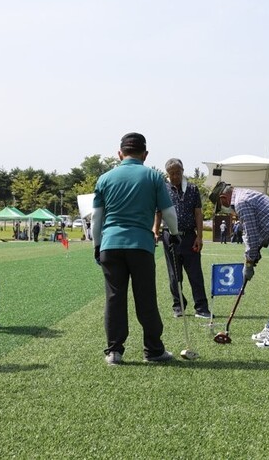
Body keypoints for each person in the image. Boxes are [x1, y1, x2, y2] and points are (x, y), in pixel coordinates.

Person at [92, 132, 180, 365]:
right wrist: (175, 234)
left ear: (120, 153)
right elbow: (169, 213)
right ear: (145, 154)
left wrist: (96, 245)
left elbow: (96, 219)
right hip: (140, 245)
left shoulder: (104, 178)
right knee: (145, 298)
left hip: (110, 244)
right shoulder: (153, 176)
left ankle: (114, 351)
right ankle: (153, 351)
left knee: (114, 298)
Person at [210, 181, 269, 348]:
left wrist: (250, 262)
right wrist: (251, 258)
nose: (224, 209)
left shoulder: (241, 202)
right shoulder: (243, 196)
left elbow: (251, 236)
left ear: (223, 198)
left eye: (221, 205)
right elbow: (252, 233)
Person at [152, 158, 211, 319]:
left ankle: (202, 308)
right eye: (171, 174)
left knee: (195, 274)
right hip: (169, 236)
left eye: (177, 173)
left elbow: (198, 213)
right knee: (174, 275)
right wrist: (155, 232)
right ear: (167, 174)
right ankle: (179, 306)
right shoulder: (162, 189)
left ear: (183, 171)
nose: (175, 176)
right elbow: (158, 213)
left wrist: (199, 236)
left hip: (189, 237)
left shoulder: (192, 189)